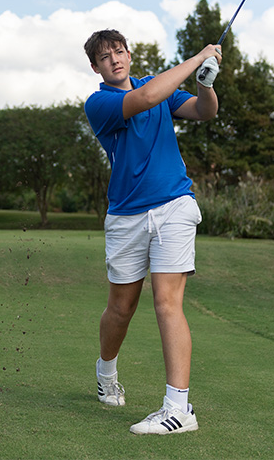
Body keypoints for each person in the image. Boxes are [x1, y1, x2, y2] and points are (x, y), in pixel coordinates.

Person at [83, 29, 221, 435]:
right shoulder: (101, 103)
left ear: (129, 53)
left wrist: (205, 82)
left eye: (119, 51)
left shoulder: (157, 86)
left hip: (174, 204)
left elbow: (204, 111)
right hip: (126, 215)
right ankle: (106, 370)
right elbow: (144, 100)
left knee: (167, 302)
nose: (115, 60)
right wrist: (197, 58)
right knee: (121, 308)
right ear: (95, 67)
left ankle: (179, 408)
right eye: (105, 57)